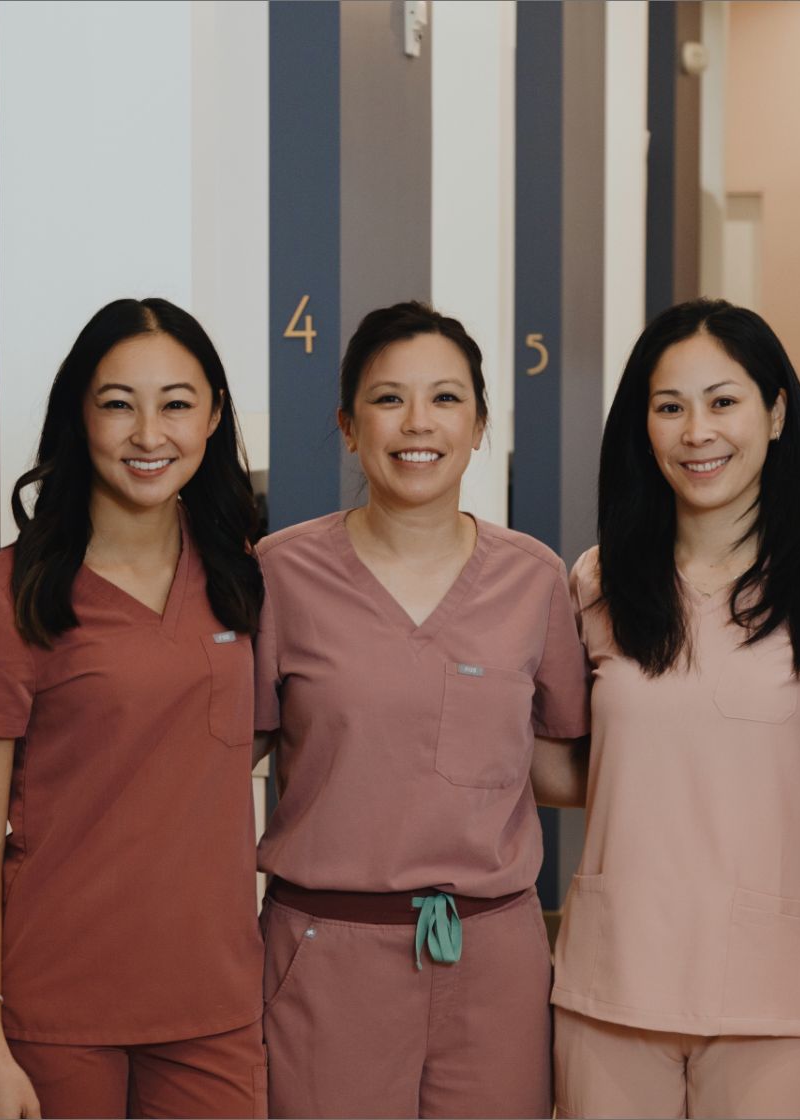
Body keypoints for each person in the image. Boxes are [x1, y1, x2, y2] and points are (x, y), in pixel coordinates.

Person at [251, 301, 590, 1118]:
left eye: (445, 398)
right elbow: (224, 755)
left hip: (495, 956)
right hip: (325, 953)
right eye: (387, 398)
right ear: (347, 424)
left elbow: (557, 764)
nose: (418, 423)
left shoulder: (534, 579)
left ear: (479, 425)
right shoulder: (280, 574)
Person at [547, 298, 800, 1119]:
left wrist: (773, 819)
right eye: (670, 407)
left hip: (775, 996)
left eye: (723, 401)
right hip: (613, 988)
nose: (697, 431)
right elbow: (568, 767)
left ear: (774, 413)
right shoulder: (594, 585)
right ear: (645, 427)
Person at [0, 298, 268, 1119]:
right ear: (77, 417)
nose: (148, 434)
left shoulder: (249, 580)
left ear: (215, 415)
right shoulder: (5, 597)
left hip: (216, 1005)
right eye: (118, 403)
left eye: (177, 404)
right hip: (56, 1011)